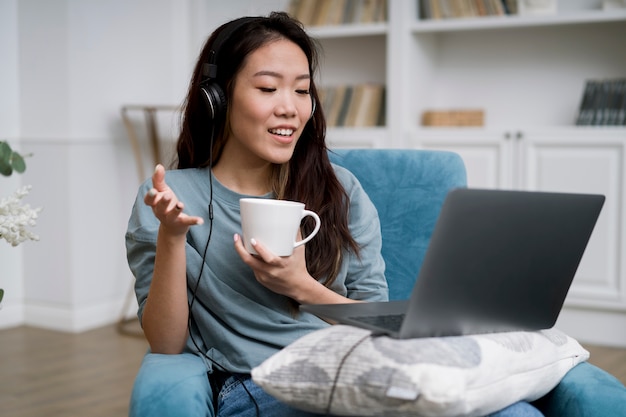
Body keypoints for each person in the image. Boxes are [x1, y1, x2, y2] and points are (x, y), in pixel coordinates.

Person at [125, 11, 544, 417]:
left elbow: (376, 318)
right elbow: (165, 342)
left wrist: (302, 286)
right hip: (259, 383)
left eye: (302, 90)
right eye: (268, 89)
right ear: (217, 98)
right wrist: (172, 237)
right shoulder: (171, 198)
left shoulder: (339, 189)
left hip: (355, 368)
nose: (290, 108)